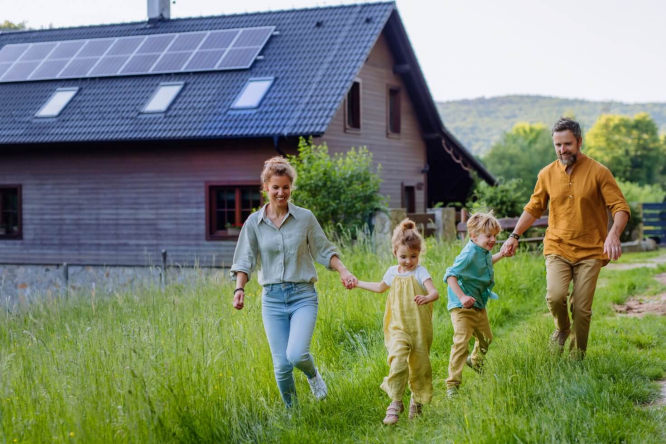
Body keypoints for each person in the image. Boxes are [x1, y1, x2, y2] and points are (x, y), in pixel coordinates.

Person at [230, 156, 358, 408]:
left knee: (297, 355)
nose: (281, 192)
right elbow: (244, 260)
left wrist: (343, 271)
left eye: (285, 187)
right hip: (272, 300)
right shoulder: (253, 223)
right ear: (265, 187)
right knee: (281, 365)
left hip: (302, 296)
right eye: (275, 187)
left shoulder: (305, 218)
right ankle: (294, 415)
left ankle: (313, 375)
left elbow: (324, 250)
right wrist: (239, 289)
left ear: (291, 188)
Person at [500, 117, 630, 357]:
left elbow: (620, 207)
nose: (562, 150)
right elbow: (533, 208)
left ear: (579, 142)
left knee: (582, 309)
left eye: (567, 144)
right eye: (558, 145)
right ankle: (562, 329)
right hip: (557, 246)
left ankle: (577, 359)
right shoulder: (547, 174)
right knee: (556, 296)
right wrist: (514, 235)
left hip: (591, 249)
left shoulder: (599, 172)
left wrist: (614, 234)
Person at [353, 219, 439, 425]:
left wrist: (427, 298)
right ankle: (395, 402)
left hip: (419, 328)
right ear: (394, 253)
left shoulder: (420, 272)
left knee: (419, 366)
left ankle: (416, 401)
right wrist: (358, 283)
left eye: (413, 256)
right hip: (398, 327)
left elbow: (434, 292)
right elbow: (379, 287)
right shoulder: (392, 272)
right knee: (398, 361)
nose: (408, 261)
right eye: (403, 256)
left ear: (419, 254)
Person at [444, 211, 507, 397]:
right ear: (473, 236)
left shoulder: (483, 250)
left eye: (495, 236)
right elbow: (450, 275)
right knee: (460, 344)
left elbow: (486, 262)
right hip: (462, 307)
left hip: (478, 305)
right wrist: (462, 297)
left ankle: (476, 360)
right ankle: (452, 385)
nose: (493, 239)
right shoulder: (469, 253)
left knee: (486, 339)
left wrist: (501, 254)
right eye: (489, 236)